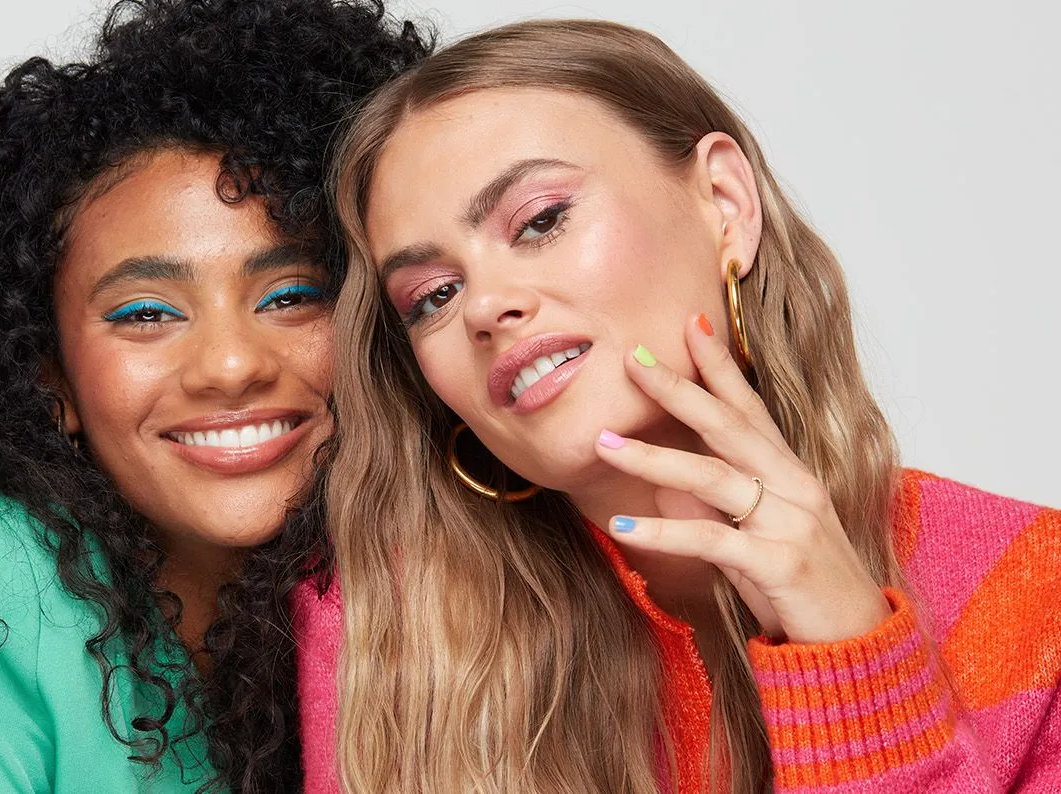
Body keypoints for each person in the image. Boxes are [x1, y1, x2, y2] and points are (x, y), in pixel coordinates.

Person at [293, 18, 1061, 793]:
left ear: (724, 203)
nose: (486, 307)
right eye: (433, 296)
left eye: (541, 221)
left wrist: (850, 658)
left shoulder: (1037, 598)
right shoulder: (378, 635)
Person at [0, 1, 429, 791]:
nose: (232, 365)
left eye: (292, 296)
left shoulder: (413, 587)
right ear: (51, 380)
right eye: (146, 314)